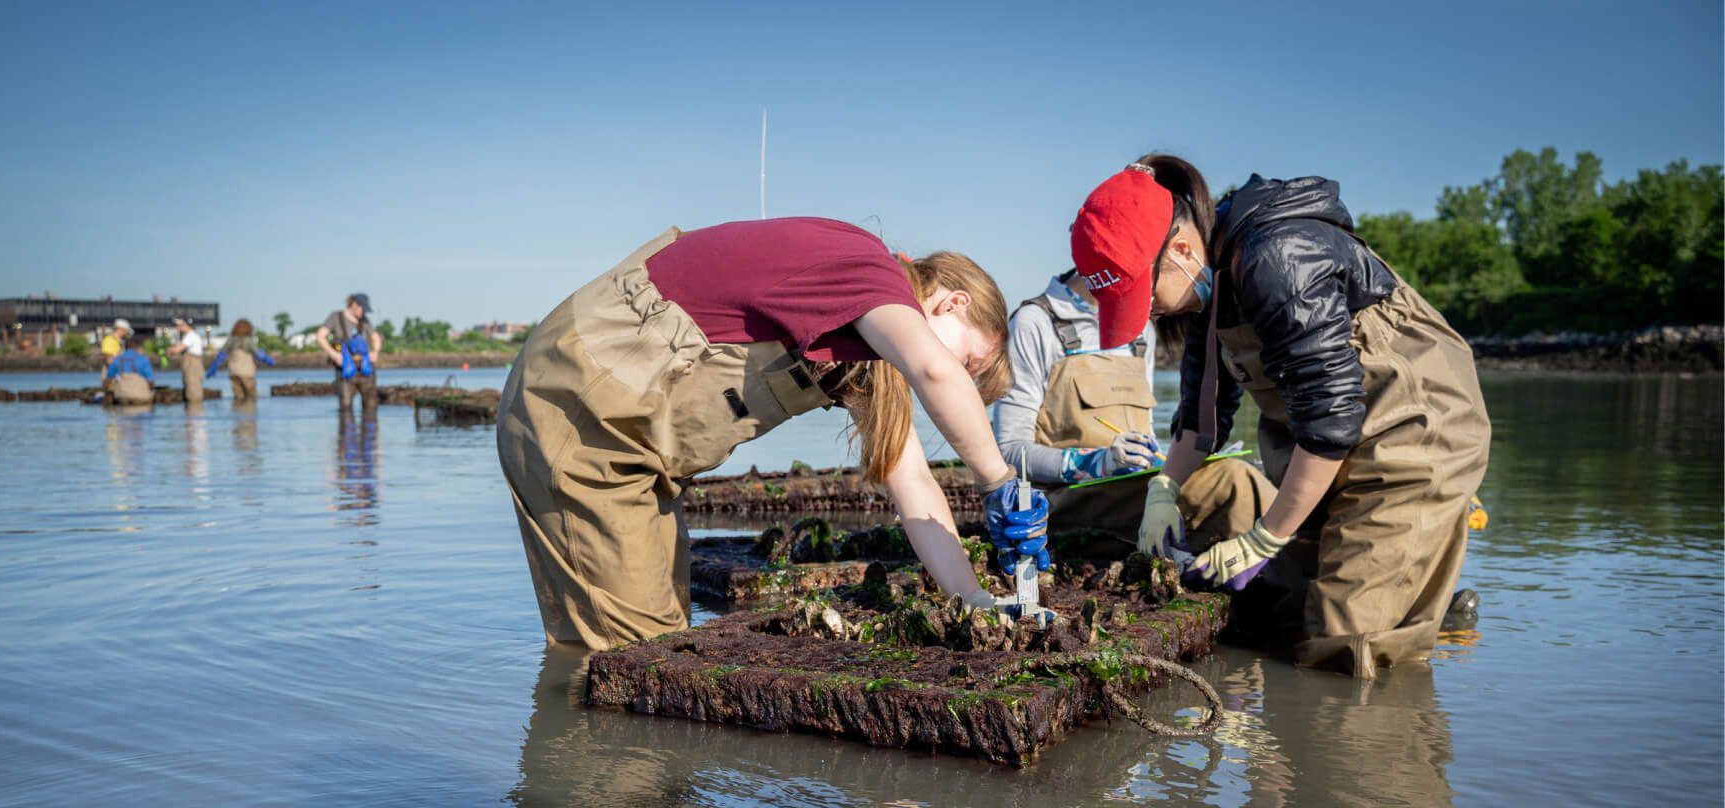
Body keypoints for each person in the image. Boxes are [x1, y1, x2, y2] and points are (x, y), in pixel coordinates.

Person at [496, 218, 1048, 651]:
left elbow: (914, 484)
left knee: (635, 629)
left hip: (631, 451)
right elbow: (934, 369)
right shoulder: (866, 269)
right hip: (584, 418)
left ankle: (578, 764)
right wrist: (998, 481)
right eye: (971, 362)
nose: (960, 380)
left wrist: (972, 597)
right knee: (640, 649)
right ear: (952, 302)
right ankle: (615, 795)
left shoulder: (865, 352)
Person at [1071, 156, 1490, 677]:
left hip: (1411, 435)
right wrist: (1164, 491)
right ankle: (1422, 607)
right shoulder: (1208, 284)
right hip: (1324, 443)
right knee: (1279, 611)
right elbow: (1202, 419)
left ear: (1180, 250)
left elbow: (1330, 422)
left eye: (1146, 297)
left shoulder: (1278, 258)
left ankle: (1411, 635)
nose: (1151, 313)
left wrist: (1265, 537)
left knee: (1342, 641)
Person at [992, 268, 1272, 554]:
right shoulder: (1034, 322)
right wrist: (1098, 462)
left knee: (1242, 471)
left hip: (1133, 494)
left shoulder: (1141, 328)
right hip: (1064, 503)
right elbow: (1010, 451)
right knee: (1233, 479)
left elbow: (1146, 433)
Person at [316, 293, 381, 415]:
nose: (364, 313)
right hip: (344, 369)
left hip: (365, 368)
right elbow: (320, 336)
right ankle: (346, 433)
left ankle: (370, 433)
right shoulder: (335, 317)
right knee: (345, 407)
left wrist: (375, 352)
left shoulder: (365, 320)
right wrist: (334, 354)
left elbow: (376, 338)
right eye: (363, 309)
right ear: (354, 305)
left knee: (371, 406)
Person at [206, 318, 277, 402]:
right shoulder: (248, 341)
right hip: (247, 373)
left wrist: (213, 368)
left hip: (233, 373)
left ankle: (237, 414)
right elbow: (258, 354)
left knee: (238, 398)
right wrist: (269, 361)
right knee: (251, 397)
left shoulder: (231, 340)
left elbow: (221, 356)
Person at [104, 334, 158, 405]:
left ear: (125, 347)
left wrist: (106, 391)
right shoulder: (143, 359)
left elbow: (108, 381)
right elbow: (151, 382)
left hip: (122, 397)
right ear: (137, 347)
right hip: (141, 398)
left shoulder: (117, 359)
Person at [168, 315, 208, 404]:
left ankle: (194, 414)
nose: (177, 327)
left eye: (179, 325)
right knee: (192, 388)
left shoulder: (191, 335)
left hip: (193, 364)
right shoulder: (189, 335)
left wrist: (169, 350)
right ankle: (193, 414)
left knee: (193, 390)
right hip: (193, 363)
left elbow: (179, 349)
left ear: (185, 324)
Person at [98, 319, 133, 394]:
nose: (127, 333)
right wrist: (118, 376)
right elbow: (109, 360)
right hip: (111, 376)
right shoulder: (109, 340)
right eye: (126, 331)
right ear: (121, 329)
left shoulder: (120, 342)